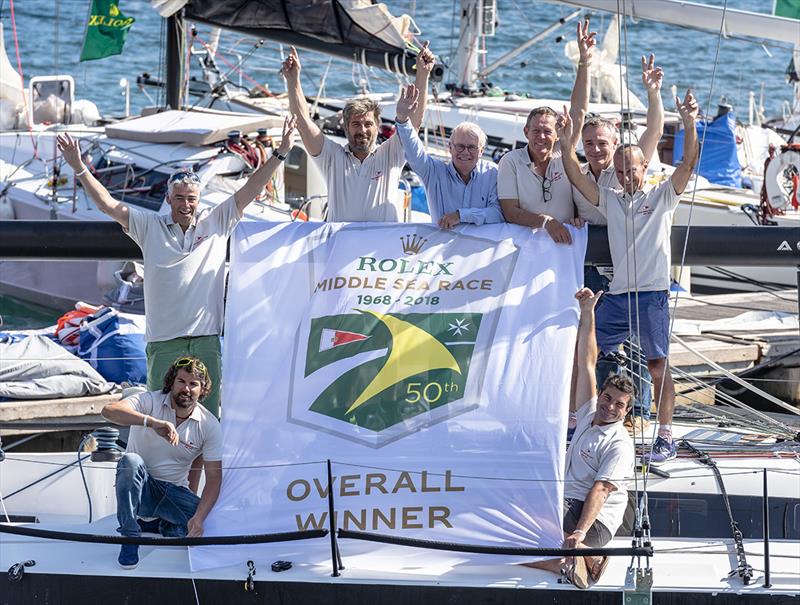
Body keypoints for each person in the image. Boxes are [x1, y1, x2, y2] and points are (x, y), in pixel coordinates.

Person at [56, 116, 298, 417]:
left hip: (205, 339)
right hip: (163, 341)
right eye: (180, 198)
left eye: (192, 199)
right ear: (169, 198)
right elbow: (108, 205)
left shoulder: (216, 221)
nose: (186, 204)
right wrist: (79, 166)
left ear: (200, 201)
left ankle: (200, 466)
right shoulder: (149, 225)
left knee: (207, 419)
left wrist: (281, 153)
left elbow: (251, 187)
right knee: (161, 414)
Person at [558, 89, 700, 465]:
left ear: (644, 168)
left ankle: (665, 435)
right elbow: (574, 171)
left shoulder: (663, 195)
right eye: (619, 172)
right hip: (618, 295)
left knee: (657, 365)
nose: (625, 176)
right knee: (581, 352)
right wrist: (564, 140)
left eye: (631, 170)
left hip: (652, 294)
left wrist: (688, 122)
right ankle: (577, 421)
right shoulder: (612, 199)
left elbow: (688, 163)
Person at [569, 24, 666, 430]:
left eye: (602, 143)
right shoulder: (589, 180)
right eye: (589, 143)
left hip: (633, 272)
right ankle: (582, 416)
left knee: (643, 353)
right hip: (595, 270)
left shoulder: (627, 169)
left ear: (614, 144)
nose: (596, 149)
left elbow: (655, 131)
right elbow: (573, 124)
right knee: (592, 348)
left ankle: (643, 417)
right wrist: (586, 63)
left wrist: (653, 92)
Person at [525, 288, 635, 588]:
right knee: (519, 517)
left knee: (516, 539)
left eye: (619, 405)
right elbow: (587, 362)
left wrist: (580, 534)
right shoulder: (589, 413)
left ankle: (575, 558)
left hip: (594, 522)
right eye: (608, 398)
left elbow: (600, 490)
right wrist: (587, 312)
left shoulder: (619, 444)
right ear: (602, 395)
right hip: (571, 503)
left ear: (626, 412)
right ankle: (581, 558)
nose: (610, 406)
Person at [281, 43, 436, 221]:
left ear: (377, 127)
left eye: (368, 124)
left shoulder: (391, 154)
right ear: (346, 127)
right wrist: (293, 81)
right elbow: (302, 122)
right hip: (341, 246)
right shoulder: (332, 157)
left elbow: (413, 122)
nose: (362, 130)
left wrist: (423, 74)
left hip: (380, 247)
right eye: (356, 124)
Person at [101, 356, 223, 569]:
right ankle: (130, 537)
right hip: (143, 489)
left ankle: (163, 524)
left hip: (173, 493)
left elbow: (213, 478)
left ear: (202, 389)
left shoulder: (209, 425)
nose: (186, 388)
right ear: (171, 383)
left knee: (212, 524)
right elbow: (109, 411)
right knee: (130, 461)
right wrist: (151, 422)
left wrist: (199, 518)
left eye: (193, 384)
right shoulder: (149, 401)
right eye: (181, 381)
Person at [497, 21, 593, 244]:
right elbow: (510, 212)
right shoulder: (510, 161)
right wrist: (547, 222)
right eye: (536, 131)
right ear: (525, 132)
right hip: (524, 244)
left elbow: (579, 111)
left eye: (547, 131)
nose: (541, 136)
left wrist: (584, 61)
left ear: (557, 134)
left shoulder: (564, 154)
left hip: (564, 242)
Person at [393, 84, 502, 228]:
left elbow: (498, 213)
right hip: (442, 247)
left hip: (479, 248)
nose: (465, 152)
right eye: (460, 146)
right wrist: (402, 120)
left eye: (472, 147)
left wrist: (461, 215)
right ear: (450, 147)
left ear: (481, 151)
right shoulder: (433, 172)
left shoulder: (493, 173)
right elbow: (414, 152)